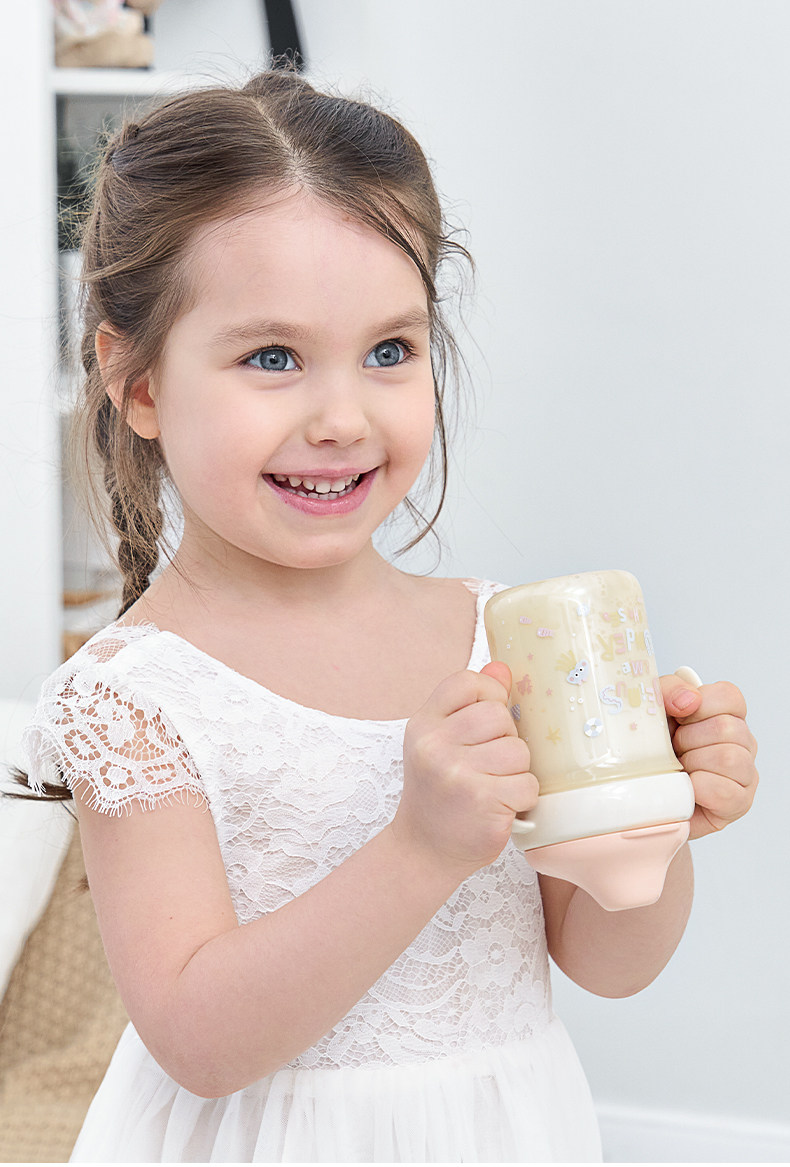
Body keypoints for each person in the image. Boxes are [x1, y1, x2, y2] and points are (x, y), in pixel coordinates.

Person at [22, 68, 758, 1162]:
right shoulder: (135, 698)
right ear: (137, 385)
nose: (342, 416)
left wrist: (654, 823)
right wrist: (419, 849)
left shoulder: (503, 638)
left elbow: (608, 963)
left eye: (389, 352)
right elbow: (199, 1041)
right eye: (272, 357)